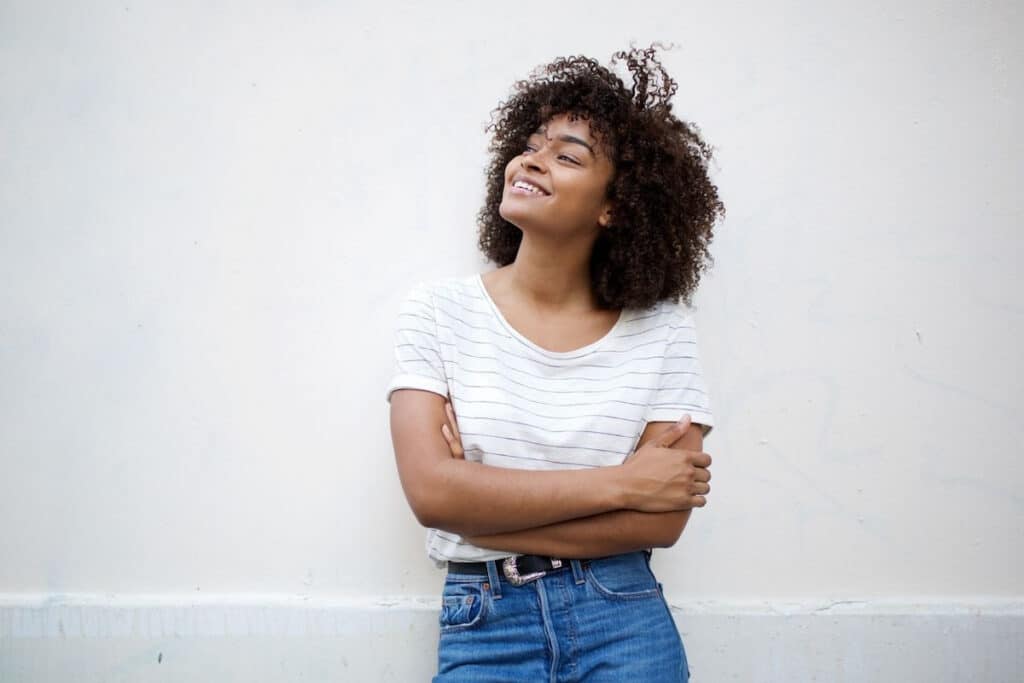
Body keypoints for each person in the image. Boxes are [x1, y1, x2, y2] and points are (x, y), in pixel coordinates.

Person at [386, 44, 725, 682]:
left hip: (623, 617)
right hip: (484, 621)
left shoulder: (663, 333)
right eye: (533, 143)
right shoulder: (437, 311)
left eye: (567, 155)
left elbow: (667, 518)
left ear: (615, 206)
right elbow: (432, 494)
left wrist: (481, 503)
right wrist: (625, 484)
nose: (533, 160)